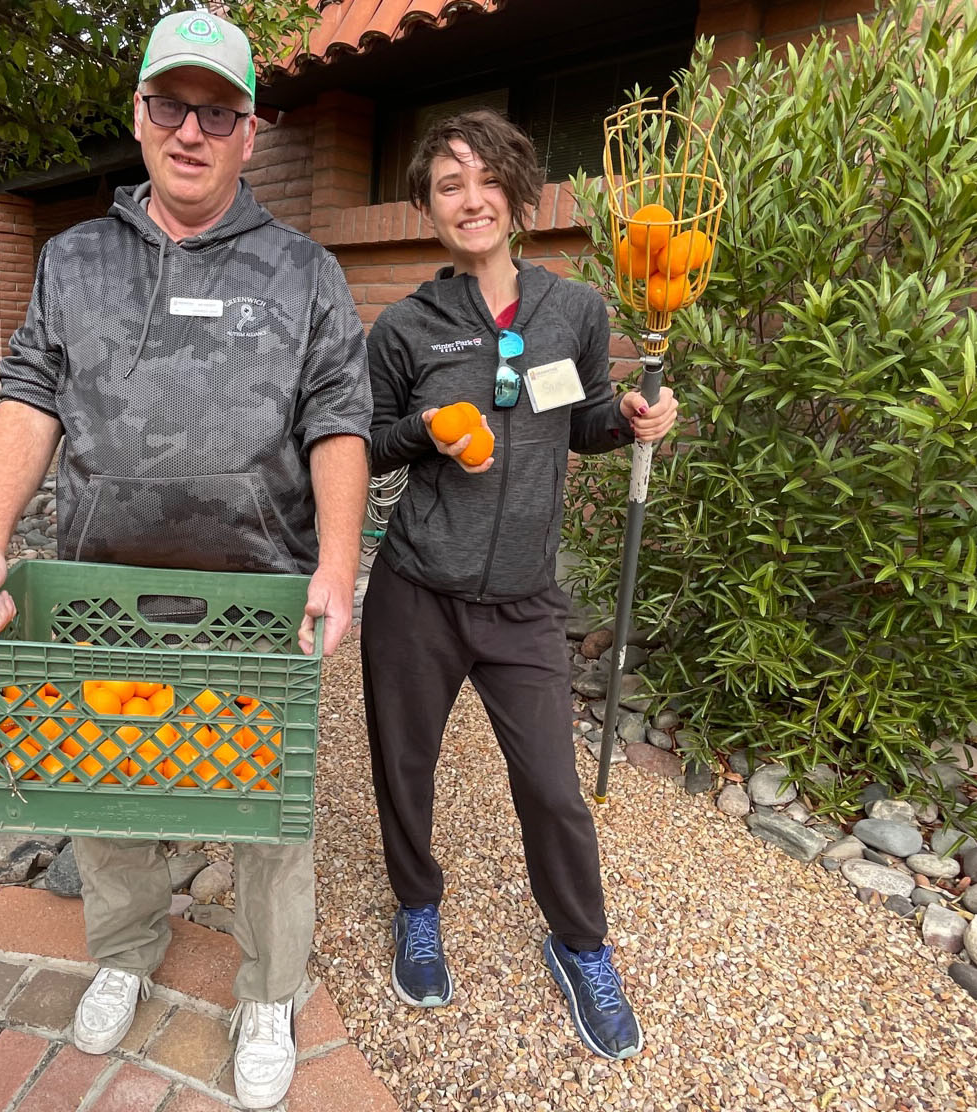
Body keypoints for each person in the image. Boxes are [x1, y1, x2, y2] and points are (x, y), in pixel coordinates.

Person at [0, 9, 369, 1109]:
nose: (192, 130)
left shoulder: (304, 270)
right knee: (111, 774)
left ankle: (270, 987)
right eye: (170, 105)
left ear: (247, 130)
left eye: (216, 110)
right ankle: (125, 952)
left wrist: (335, 566)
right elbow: (28, 402)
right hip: (102, 595)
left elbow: (338, 422)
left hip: (254, 594)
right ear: (139, 118)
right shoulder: (73, 260)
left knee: (271, 807)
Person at [359, 109, 678, 1061]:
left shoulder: (574, 311)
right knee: (402, 767)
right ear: (427, 204)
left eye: (484, 180)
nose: (469, 199)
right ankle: (417, 906)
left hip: (523, 600)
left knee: (552, 786)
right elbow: (369, 441)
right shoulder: (405, 326)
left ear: (517, 195)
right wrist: (427, 429)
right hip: (415, 592)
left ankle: (580, 942)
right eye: (447, 184)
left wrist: (628, 418)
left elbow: (576, 422)